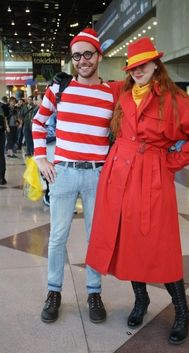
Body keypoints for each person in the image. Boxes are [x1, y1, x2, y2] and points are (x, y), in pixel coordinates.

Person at [86, 37, 189, 345]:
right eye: (133, 66)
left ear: (156, 64)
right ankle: (141, 299)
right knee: (129, 241)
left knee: (161, 245)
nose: (138, 70)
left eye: (143, 64)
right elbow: (90, 87)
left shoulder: (173, 99)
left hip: (152, 177)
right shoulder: (123, 93)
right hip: (118, 176)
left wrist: (173, 161)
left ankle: (182, 311)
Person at [32, 28, 121, 324]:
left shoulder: (111, 93)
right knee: (58, 237)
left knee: (95, 237)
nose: (82, 60)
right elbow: (38, 121)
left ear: (99, 55)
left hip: (98, 176)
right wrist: (40, 158)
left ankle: (94, 292)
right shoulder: (60, 89)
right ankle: (53, 291)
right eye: (76, 55)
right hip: (64, 174)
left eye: (88, 54)